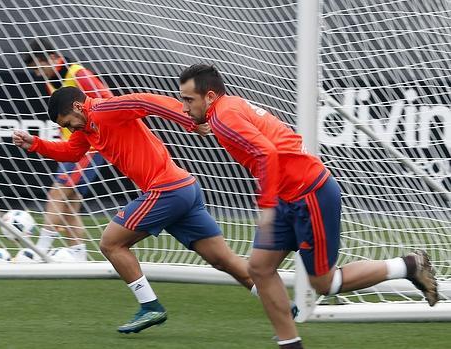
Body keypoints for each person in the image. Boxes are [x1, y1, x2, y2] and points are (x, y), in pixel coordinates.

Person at [177, 64, 439, 349]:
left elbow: (267, 153)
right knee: (260, 268)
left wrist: (265, 206)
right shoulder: (226, 108)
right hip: (285, 196)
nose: (184, 106)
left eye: (188, 100)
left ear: (210, 97)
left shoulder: (224, 117)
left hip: (309, 194)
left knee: (325, 284)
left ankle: (409, 265)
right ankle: (291, 344)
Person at [13, 87, 256, 334]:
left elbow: (148, 101)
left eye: (68, 123)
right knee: (223, 260)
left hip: (167, 190)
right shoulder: (86, 128)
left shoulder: (102, 109)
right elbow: (71, 152)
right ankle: (282, 302)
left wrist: (191, 121)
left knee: (110, 243)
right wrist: (35, 144)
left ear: (77, 107)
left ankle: (150, 306)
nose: (71, 128)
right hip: (183, 188)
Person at [21, 38, 113, 262]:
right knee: (70, 206)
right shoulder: (52, 81)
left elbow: (108, 100)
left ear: (52, 58)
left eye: (38, 67)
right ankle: (79, 256)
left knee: (57, 193)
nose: (37, 74)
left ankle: (39, 252)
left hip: (90, 147)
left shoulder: (78, 74)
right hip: (73, 147)